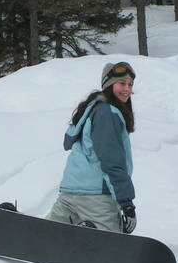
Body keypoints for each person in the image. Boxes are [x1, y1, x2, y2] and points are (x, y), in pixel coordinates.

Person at [46, 61, 137, 234]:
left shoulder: (91, 109)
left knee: (47, 235)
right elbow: (111, 160)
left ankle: (10, 219)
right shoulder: (107, 113)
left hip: (70, 192)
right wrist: (126, 203)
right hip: (96, 197)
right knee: (111, 245)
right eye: (122, 83)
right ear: (109, 85)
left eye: (130, 84)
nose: (127, 89)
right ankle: (89, 231)